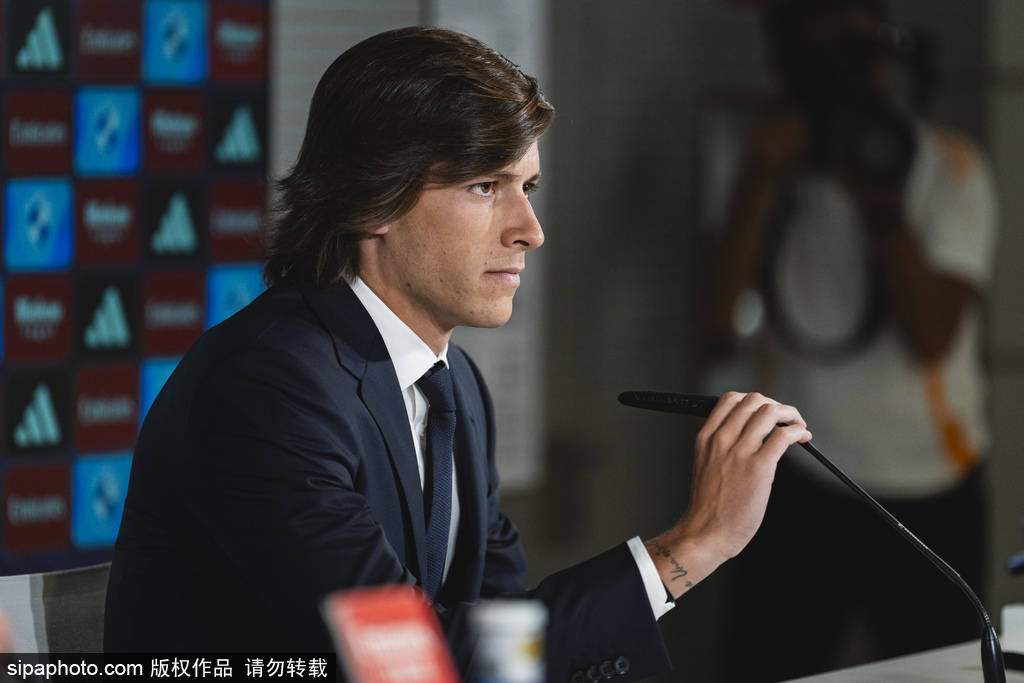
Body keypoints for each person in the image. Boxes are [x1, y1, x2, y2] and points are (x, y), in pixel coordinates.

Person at [104, 27, 811, 681]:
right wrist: (693, 544)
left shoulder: (455, 385)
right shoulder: (266, 387)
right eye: (484, 186)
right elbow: (405, 660)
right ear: (371, 201)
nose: (529, 229)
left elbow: (503, 646)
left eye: (526, 187)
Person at [703, 1, 998, 680]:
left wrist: (880, 204)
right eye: (824, 58)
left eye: (859, 54)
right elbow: (718, 321)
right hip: (798, 470)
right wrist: (760, 178)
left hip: (930, 479)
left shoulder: (947, 165)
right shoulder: (772, 166)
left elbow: (932, 336)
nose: (847, 78)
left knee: (942, 673)